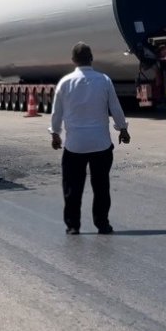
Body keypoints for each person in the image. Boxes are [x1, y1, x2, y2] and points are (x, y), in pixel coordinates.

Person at [49, 42, 130, 235]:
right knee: (101, 186)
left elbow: (56, 112)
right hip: (100, 143)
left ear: (73, 60)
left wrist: (55, 134)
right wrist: (123, 129)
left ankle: (73, 225)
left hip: (75, 144)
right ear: (91, 58)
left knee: (72, 187)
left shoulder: (65, 82)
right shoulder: (104, 80)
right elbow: (115, 108)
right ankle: (102, 224)